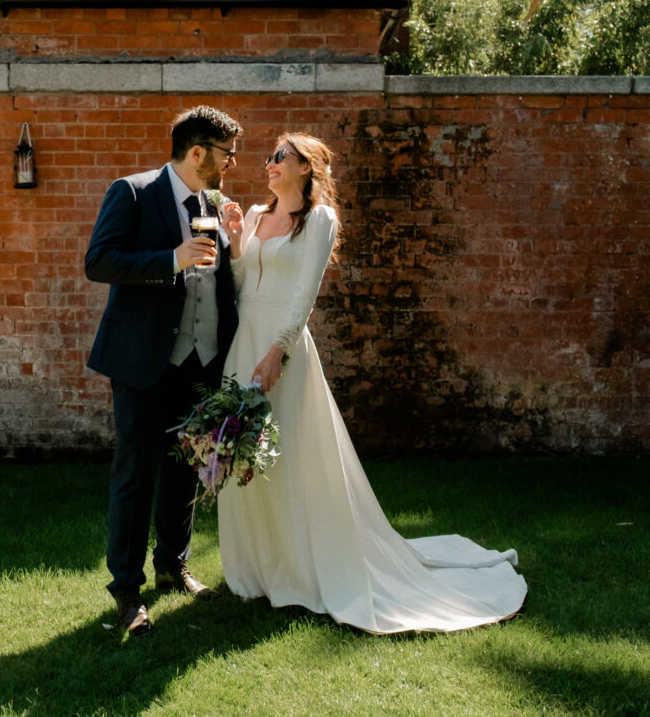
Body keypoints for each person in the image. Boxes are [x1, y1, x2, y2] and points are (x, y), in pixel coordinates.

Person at [218, 133, 527, 634]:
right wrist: (236, 240)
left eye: (279, 156)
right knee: (244, 455)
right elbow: (237, 284)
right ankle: (258, 568)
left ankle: (306, 567)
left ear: (305, 167)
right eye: (270, 156)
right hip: (243, 343)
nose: (268, 163)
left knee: (290, 455)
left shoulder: (319, 220)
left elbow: (305, 294)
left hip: (282, 348)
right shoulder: (253, 214)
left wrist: (279, 349)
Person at [85, 105, 246, 637]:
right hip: (143, 360)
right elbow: (100, 261)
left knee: (187, 466)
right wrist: (170, 260)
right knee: (135, 474)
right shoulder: (133, 192)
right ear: (197, 152)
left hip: (201, 361)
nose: (233, 164)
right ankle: (127, 591)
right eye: (226, 154)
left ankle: (172, 566)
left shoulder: (212, 203)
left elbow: (220, 282)